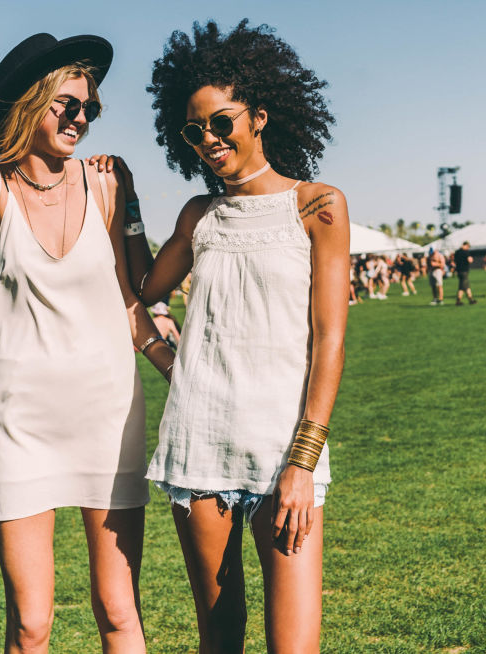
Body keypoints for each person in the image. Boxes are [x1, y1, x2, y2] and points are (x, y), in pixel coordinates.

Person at [0, 33, 175, 654]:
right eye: (64, 104)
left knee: (119, 611)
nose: (80, 118)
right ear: (30, 104)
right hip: (18, 424)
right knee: (31, 624)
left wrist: (179, 367)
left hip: (107, 416)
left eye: (88, 107)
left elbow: (133, 300)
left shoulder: (109, 184)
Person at [115, 20, 348, 653]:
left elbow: (329, 342)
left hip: (284, 455)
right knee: (220, 641)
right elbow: (143, 289)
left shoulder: (318, 205)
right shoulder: (198, 215)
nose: (209, 139)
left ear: (260, 116)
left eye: (222, 122)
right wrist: (126, 204)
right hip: (199, 449)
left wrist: (303, 462)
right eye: (194, 130)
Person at [453, 241, 476, 306]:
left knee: (464, 285)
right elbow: (470, 260)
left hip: (458, 271)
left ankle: (470, 299)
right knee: (464, 286)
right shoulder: (466, 252)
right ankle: (460, 300)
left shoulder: (457, 252)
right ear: (466, 245)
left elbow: (454, 260)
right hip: (464, 271)